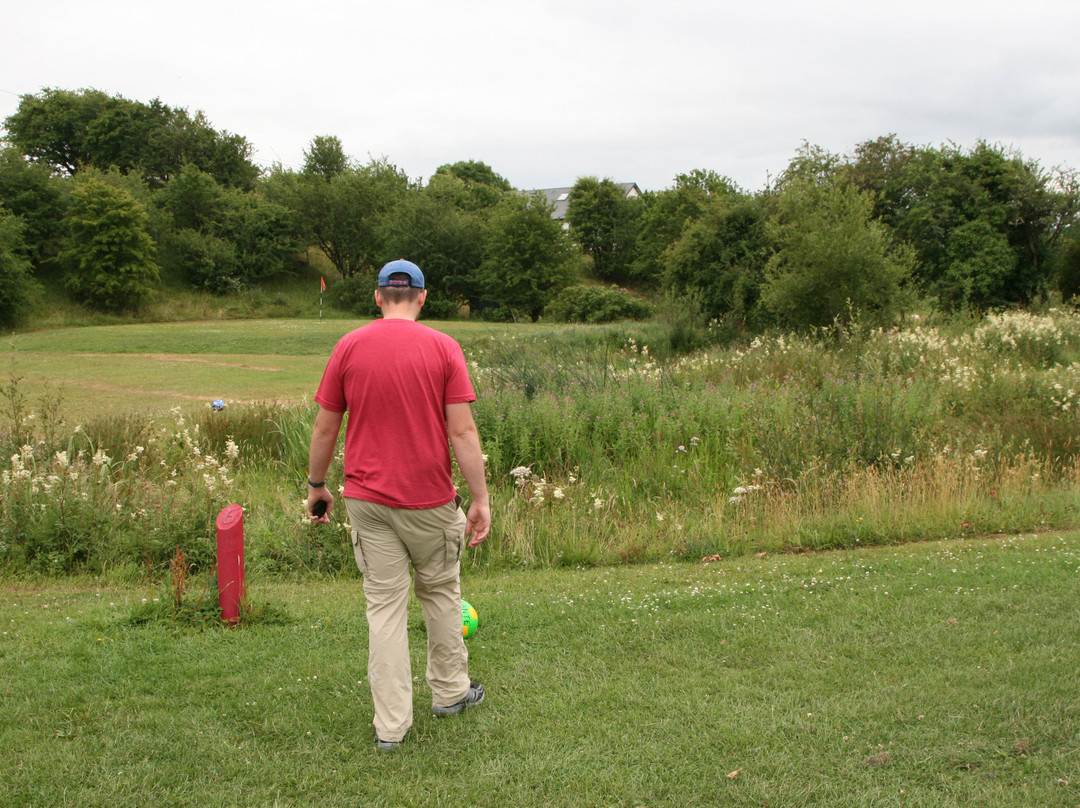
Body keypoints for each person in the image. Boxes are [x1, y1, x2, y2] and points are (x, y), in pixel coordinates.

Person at [306, 259, 491, 752]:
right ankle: (451, 692)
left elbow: (326, 427)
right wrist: (480, 499)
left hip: (367, 501)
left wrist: (317, 485)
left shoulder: (349, 345)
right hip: (430, 502)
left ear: (378, 296)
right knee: (441, 594)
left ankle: (391, 728)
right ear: (423, 298)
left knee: (384, 610)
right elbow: (463, 431)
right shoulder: (443, 348)